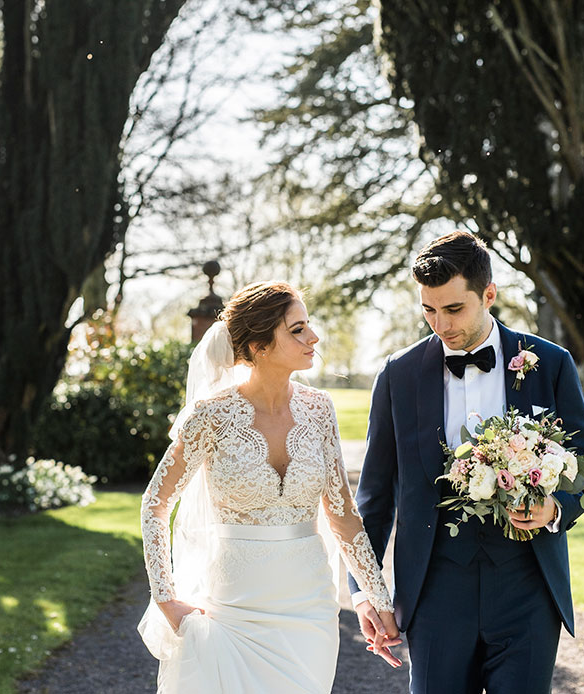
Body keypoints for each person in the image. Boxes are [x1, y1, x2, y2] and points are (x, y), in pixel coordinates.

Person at [349, 231, 584, 694]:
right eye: (429, 309)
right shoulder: (398, 376)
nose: (440, 324)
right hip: (434, 593)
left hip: (527, 589)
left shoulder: (549, 363)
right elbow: (374, 497)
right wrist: (365, 590)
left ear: (489, 294)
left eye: (453, 309)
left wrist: (554, 508)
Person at [138, 281, 399, 693]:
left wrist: (378, 599)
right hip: (232, 610)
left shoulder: (319, 409)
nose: (313, 337)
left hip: (309, 609)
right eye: (296, 329)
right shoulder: (211, 416)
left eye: (308, 325)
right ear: (258, 346)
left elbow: (344, 516)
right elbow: (156, 500)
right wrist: (165, 597)